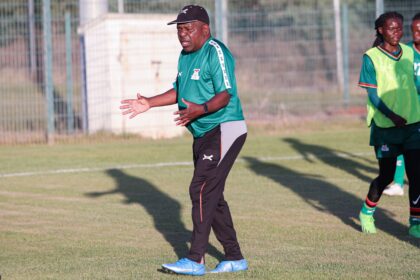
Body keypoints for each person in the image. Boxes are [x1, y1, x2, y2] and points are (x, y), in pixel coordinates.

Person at [120, 5, 248, 275]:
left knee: (200, 189)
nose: (183, 34)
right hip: (202, 133)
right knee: (212, 195)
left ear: (205, 29)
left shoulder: (216, 52)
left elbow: (225, 94)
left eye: (188, 28)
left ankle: (195, 259)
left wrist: (199, 110)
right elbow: (180, 89)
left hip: (226, 128)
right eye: (179, 29)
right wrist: (149, 103)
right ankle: (234, 257)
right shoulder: (184, 56)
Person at [357, 11, 420, 238]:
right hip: (386, 127)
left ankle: (415, 222)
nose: (397, 32)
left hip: (413, 124)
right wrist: (392, 116)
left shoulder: (409, 53)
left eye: (399, 28)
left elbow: (416, 84)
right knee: (386, 176)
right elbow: (372, 95)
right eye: (392, 28)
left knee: (416, 174)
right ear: (381, 30)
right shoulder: (371, 56)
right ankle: (367, 211)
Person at [383, 12, 420, 197]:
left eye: (419, 31)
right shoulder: (405, 52)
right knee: (403, 143)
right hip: (410, 109)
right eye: (413, 30)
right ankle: (397, 183)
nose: (416, 34)